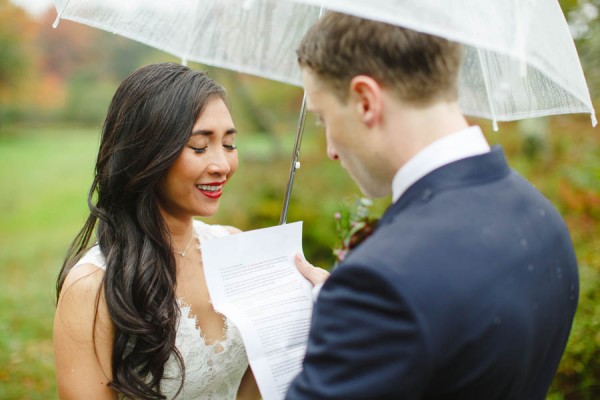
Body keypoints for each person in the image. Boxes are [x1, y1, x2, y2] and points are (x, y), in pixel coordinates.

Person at [286, 12, 579, 400]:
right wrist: (343, 307)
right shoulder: (541, 216)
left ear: (365, 101)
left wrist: (351, 313)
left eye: (323, 119)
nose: (331, 150)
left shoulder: (378, 283)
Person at [53, 63, 260, 400]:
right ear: (147, 152)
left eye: (229, 144)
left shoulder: (236, 248)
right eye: (199, 146)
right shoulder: (92, 290)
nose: (222, 165)